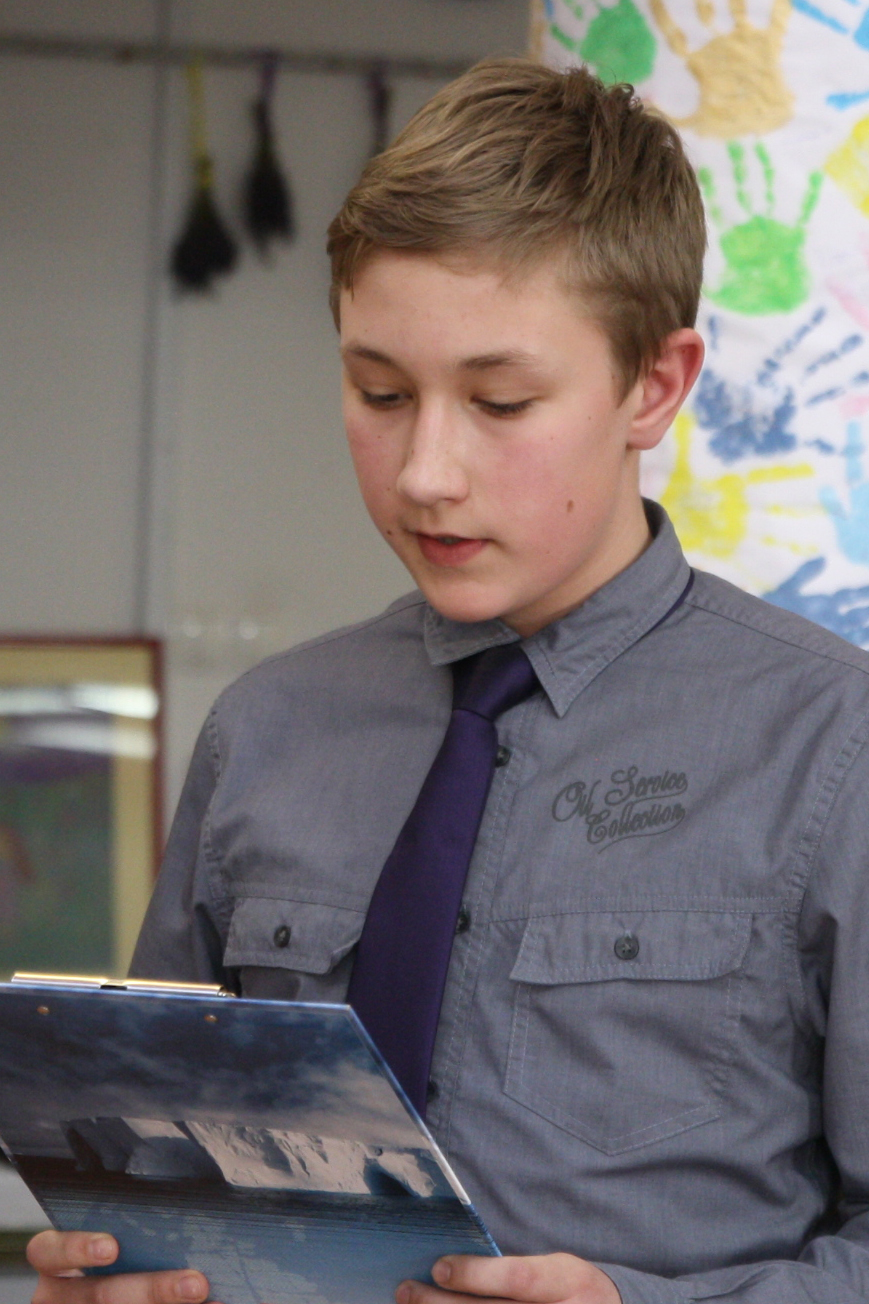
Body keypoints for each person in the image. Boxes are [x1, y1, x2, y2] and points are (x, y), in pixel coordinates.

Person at [28, 57, 869, 1304]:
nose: (424, 471)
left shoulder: (831, 745)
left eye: (499, 400)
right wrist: (114, 1273)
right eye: (378, 391)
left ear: (654, 385)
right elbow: (155, 1176)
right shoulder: (264, 729)